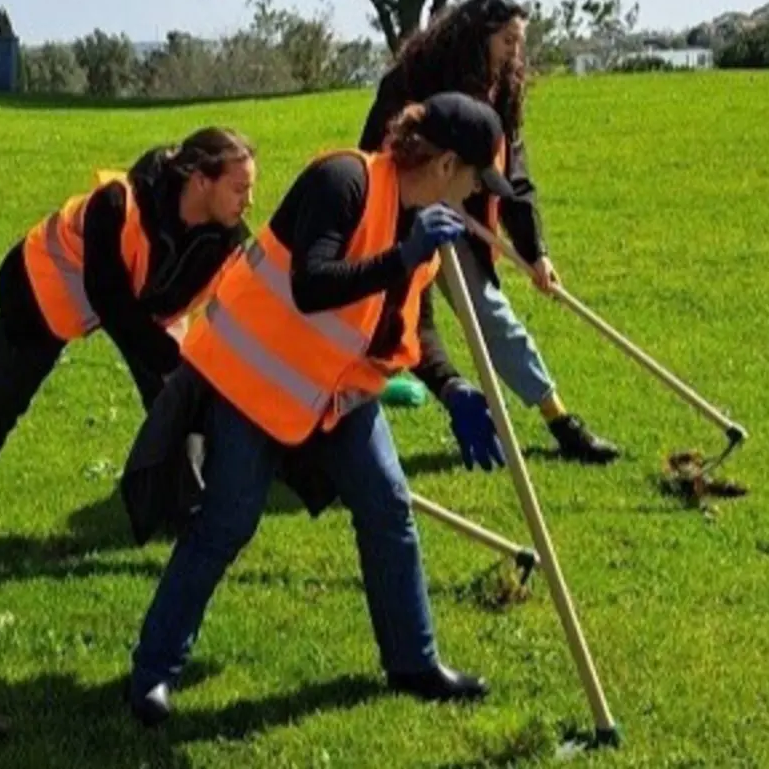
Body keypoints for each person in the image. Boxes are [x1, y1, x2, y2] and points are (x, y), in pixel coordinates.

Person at [125, 92, 512, 728]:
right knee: (226, 522)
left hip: (334, 394)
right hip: (253, 382)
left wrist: (451, 389)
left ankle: (413, 663)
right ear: (444, 165)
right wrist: (404, 255)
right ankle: (154, 672)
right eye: (474, 179)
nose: (474, 196)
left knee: (388, 506)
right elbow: (313, 283)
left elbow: (410, 322)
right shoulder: (344, 181)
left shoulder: (421, 222)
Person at [0, 127, 257, 534]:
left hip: (146, 314)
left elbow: (237, 311)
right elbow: (109, 297)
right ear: (200, 181)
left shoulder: (228, 240)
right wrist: (170, 360)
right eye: (239, 188)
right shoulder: (117, 204)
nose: (249, 201)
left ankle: (191, 513)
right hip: (41, 289)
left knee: (181, 402)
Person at [360, 0, 622, 465]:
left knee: (489, 313)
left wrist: (535, 249)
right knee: (394, 320)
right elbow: (376, 151)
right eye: (507, 40)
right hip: (401, 216)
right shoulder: (413, 78)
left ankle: (560, 421)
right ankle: (343, 428)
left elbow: (514, 176)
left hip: (463, 219)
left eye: (519, 41)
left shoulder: (503, 91)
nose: (514, 52)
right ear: (476, 36)